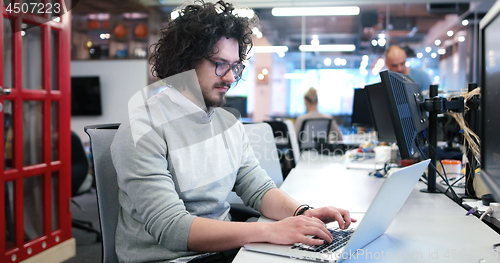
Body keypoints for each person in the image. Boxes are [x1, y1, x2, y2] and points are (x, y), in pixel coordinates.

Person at [110, 1, 355, 262]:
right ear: (185, 61)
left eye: (235, 66)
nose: (229, 77)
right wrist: (270, 231)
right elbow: (172, 228)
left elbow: (258, 189)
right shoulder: (143, 128)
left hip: (224, 251)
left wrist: (302, 212)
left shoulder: (228, 124)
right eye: (219, 64)